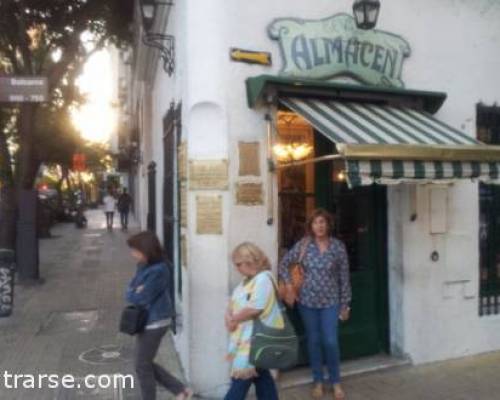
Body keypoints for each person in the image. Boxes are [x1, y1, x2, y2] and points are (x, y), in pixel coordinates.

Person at [278, 209, 351, 400]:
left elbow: (344, 277)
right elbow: (284, 264)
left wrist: (345, 304)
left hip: (331, 302)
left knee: (330, 341)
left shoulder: (338, 247)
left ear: (328, 225)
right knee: (314, 341)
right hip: (307, 302)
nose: (319, 226)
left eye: (323, 222)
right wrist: (288, 284)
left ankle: (335, 382)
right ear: (310, 226)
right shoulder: (304, 245)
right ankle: (318, 381)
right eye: (316, 223)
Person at [126, 231, 193, 400]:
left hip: (156, 321)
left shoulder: (159, 270)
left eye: (135, 250)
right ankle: (181, 390)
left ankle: (179, 391)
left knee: (142, 365)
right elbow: (131, 289)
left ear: (145, 249)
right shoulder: (143, 265)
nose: (132, 254)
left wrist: (135, 291)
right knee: (143, 363)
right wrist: (134, 290)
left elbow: (140, 297)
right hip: (147, 320)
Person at [224, 242, 281, 400]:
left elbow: (255, 308)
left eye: (238, 264)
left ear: (249, 260)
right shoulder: (247, 280)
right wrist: (228, 317)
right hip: (247, 338)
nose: (237, 268)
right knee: (261, 376)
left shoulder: (263, 279)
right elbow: (233, 303)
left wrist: (234, 318)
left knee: (240, 379)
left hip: (255, 340)